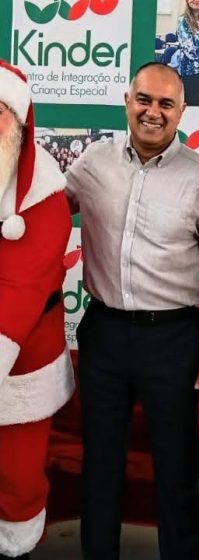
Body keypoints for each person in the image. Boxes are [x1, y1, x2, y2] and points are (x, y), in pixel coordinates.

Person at [65, 62, 199, 560]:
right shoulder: (93, 161)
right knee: (100, 466)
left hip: (174, 341)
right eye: (144, 99)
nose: (152, 112)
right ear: (126, 101)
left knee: (177, 469)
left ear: (181, 111)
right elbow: (45, 208)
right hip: (104, 333)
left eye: (165, 104)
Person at [0, 60, 74, 559]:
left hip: (22, 368)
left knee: (16, 477)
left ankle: (15, 547)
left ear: (21, 123)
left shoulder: (45, 196)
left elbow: (18, 293)